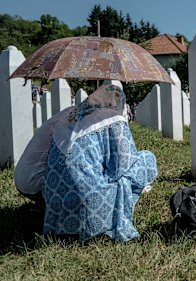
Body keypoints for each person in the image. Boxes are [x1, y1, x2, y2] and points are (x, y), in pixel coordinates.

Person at [16, 84, 157, 242]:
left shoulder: (72, 117)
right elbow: (122, 166)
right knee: (146, 160)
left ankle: (55, 212)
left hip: (48, 193)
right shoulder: (114, 119)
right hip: (90, 203)